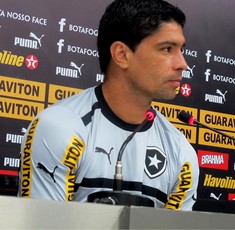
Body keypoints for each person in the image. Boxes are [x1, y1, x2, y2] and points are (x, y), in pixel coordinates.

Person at [18, 0, 199, 211]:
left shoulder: (181, 152)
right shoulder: (60, 127)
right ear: (122, 55)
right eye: (167, 49)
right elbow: (44, 224)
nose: (182, 64)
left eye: (181, 49)